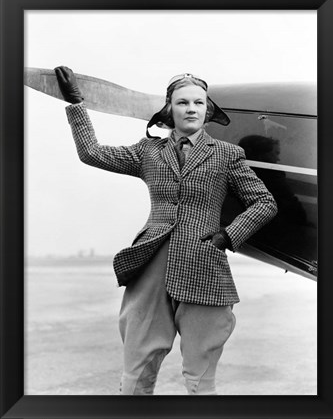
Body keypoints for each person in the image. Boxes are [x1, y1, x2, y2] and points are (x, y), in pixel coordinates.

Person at [54, 66, 278, 395]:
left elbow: (264, 202)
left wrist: (227, 236)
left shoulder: (228, 155)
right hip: (150, 266)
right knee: (135, 375)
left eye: (199, 103)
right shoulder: (148, 152)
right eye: (182, 102)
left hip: (204, 266)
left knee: (200, 380)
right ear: (169, 109)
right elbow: (92, 153)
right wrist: (76, 103)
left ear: (207, 110)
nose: (191, 109)